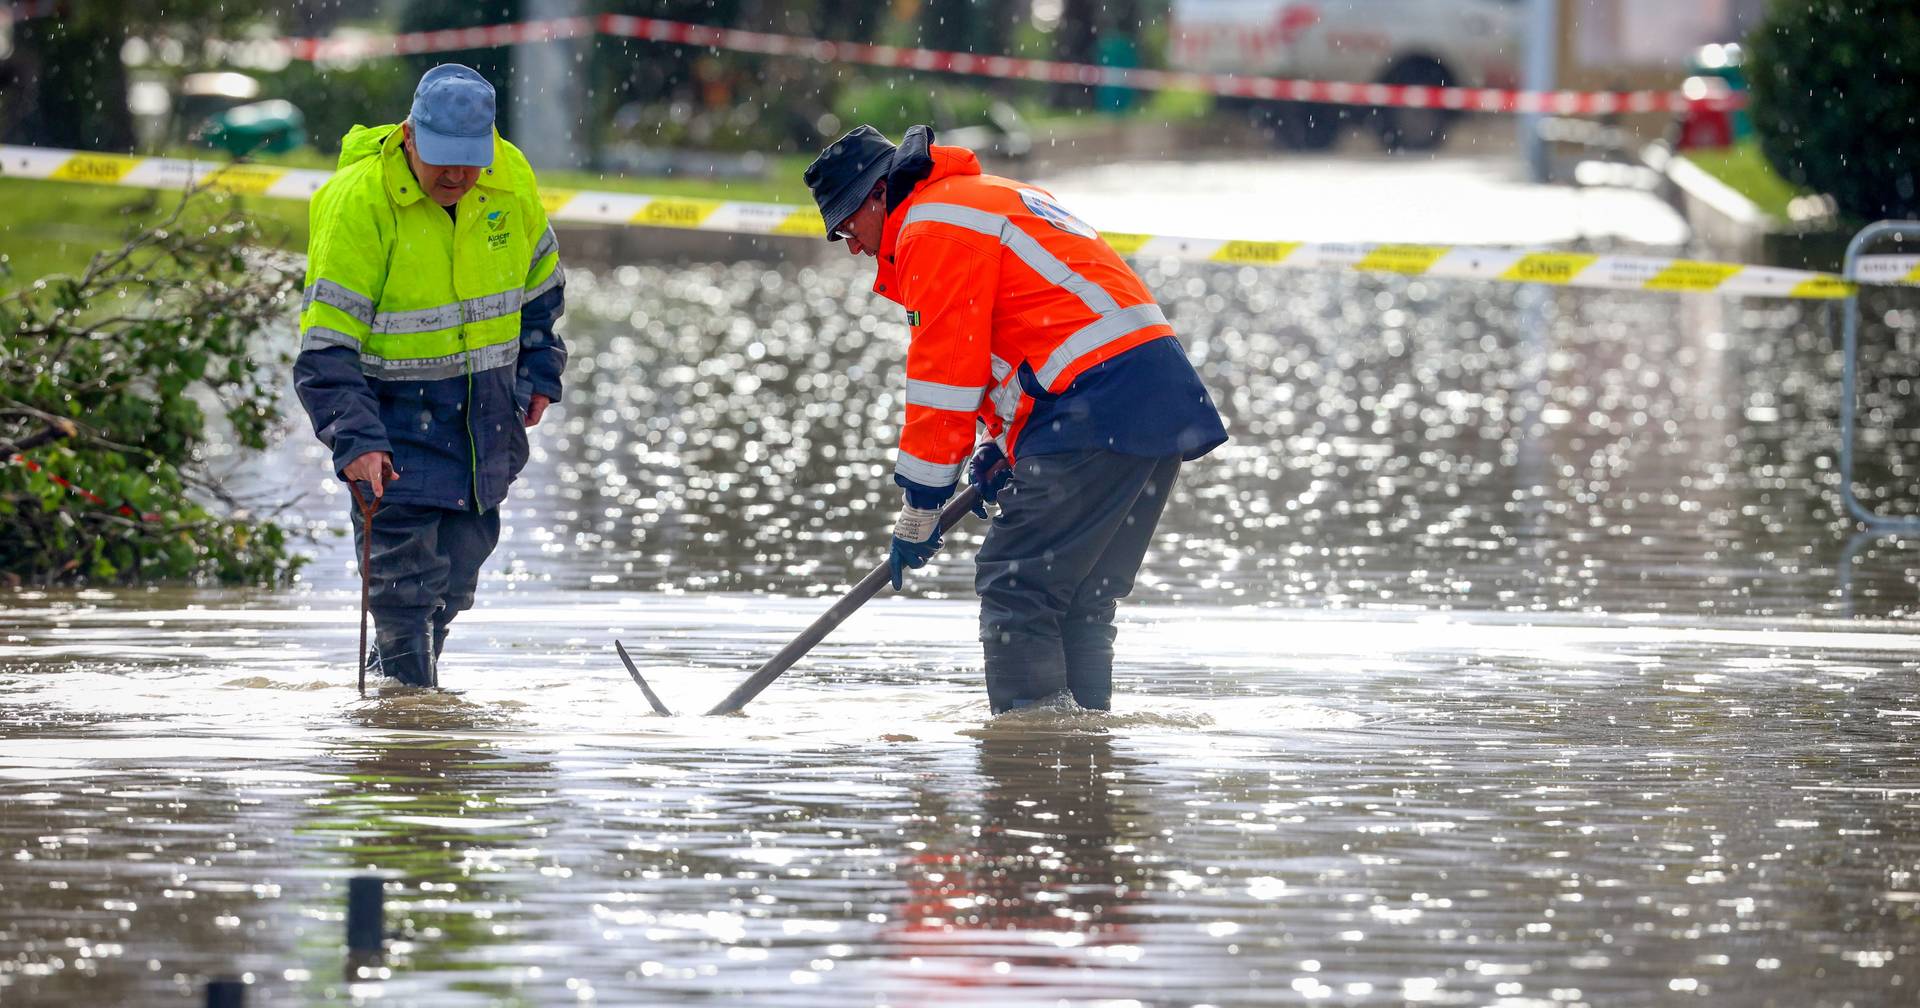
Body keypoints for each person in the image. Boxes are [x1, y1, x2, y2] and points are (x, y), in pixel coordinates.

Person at [802, 124, 1226, 714]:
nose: (851, 245)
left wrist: (920, 506)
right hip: (1152, 398)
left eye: (848, 225)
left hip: (1095, 402)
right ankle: (1082, 761)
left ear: (879, 195)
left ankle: (1029, 764)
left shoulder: (933, 225)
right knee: (1079, 595)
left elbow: (944, 374)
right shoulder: (981, 199)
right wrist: (1006, 447)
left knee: (1017, 584)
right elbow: (1028, 341)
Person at [294, 64, 567, 687]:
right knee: (403, 588)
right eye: (441, 159)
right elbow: (325, 348)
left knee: (455, 578)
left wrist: (540, 374)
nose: (455, 176)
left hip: (485, 421)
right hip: (392, 423)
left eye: (468, 161)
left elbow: (541, 292)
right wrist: (356, 440)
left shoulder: (511, 178)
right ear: (409, 136)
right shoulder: (358, 204)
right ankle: (410, 727)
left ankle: (406, 709)